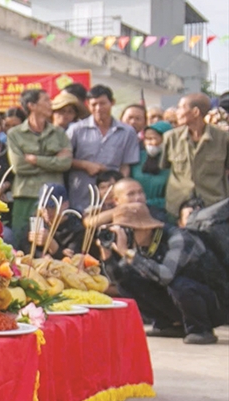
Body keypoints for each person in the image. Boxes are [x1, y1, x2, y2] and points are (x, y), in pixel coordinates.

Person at [98, 198, 227, 345]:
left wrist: (127, 253)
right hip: (188, 300)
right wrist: (107, 257)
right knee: (127, 281)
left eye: (128, 229)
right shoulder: (140, 244)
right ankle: (169, 324)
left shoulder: (179, 238)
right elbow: (118, 279)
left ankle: (200, 329)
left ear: (146, 228)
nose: (125, 235)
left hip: (217, 303)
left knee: (178, 283)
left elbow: (166, 275)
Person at [6, 87, 73, 233]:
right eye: (46, 100)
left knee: (51, 239)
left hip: (54, 197)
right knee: (23, 238)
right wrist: (53, 161)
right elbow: (18, 166)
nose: (51, 104)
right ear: (32, 105)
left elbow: (66, 163)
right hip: (26, 195)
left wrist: (36, 160)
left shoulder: (59, 133)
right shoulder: (15, 134)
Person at [66, 84, 140, 209]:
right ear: (88, 105)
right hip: (81, 194)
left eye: (103, 103)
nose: (98, 108)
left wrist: (119, 187)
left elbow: (126, 165)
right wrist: (85, 165)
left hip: (112, 196)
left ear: (112, 103)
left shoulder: (127, 132)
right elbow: (64, 160)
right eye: (94, 104)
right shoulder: (76, 130)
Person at [162, 92, 229, 217]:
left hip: (214, 209)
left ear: (195, 112)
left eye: (181, 107)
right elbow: (164, 166)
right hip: (178, 209)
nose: (177, 112)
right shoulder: (170, 138)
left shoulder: (223, 139)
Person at [134, 121, 173, 215]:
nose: (150, 143)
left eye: (154, 138)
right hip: (136, 210)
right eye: (147, 138)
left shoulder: (173, 161)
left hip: (162, 212)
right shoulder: (138, 158)